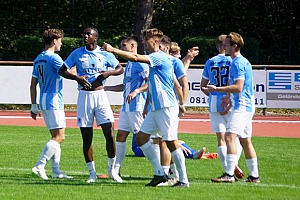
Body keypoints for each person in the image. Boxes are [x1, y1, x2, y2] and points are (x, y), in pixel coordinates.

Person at [102, 28, 189, 187]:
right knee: (142, 139)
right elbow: (154, 84)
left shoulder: (159, 57)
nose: (144, 42)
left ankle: (183, 180)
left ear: (156, 42)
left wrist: (112, 50)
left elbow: (135, 57)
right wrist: (148, 103)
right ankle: (159, 174)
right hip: (156, 108)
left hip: (166, 106)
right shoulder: (156, 58)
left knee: (170, 141)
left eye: (147, 39)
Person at [58, 27, 124, 183]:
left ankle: (112, 170)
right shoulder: (77, 53)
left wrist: (108, 73)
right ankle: (92, 173)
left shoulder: (105, 53)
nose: (85, 36)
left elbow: (120, 68)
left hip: (101, 96)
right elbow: (62, 70)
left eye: (89, 34)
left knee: (109, 134)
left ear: (96, 37)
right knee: (87, 137)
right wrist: (77, 78)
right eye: (84, 34)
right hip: (84, 97)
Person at [204, 32, 260, 183]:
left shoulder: (238, 63)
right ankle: (254, 176)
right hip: (243, 104)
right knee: (245, 140)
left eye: (227, 45)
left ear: (234, 46)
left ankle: (229, 174)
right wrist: (229, 99)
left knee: (229, 136)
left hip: (242, 105)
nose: (224, 47)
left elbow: (239, 87)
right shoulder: (237, 61)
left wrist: (217, 89)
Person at [30, 29, 73, 180]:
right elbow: (68, 71)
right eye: (60, 40)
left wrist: (34, 105)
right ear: (54, 40)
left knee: (55, 136)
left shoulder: (38, 58)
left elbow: (32, 84)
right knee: (60, 137)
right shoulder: (54, 57)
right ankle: (40, 165)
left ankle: (56, 171)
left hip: (43, 99)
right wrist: (78, 66)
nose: (61, 43)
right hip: (53, 99)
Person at [104, 34, 149, 176]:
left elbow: (150, 83)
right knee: (120, 136)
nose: (121, 47)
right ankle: (115, 170)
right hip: (126, 107)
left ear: (132, 46)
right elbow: (125, 86)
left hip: (137, 107)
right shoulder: (129, 64)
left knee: (144, 139)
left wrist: (137, 91)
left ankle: (163, 168)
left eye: (124, 45)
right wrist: (107, 88)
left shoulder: (140, 62)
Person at [200, 35, 244, 179]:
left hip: (214, 101)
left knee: (221, 138)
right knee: (235, 137)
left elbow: (203, 86)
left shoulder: (210, 61)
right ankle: (233, 165)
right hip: (229, 99)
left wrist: (212, 94)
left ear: (217, 46)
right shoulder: (232, 60)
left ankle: (228, 168)